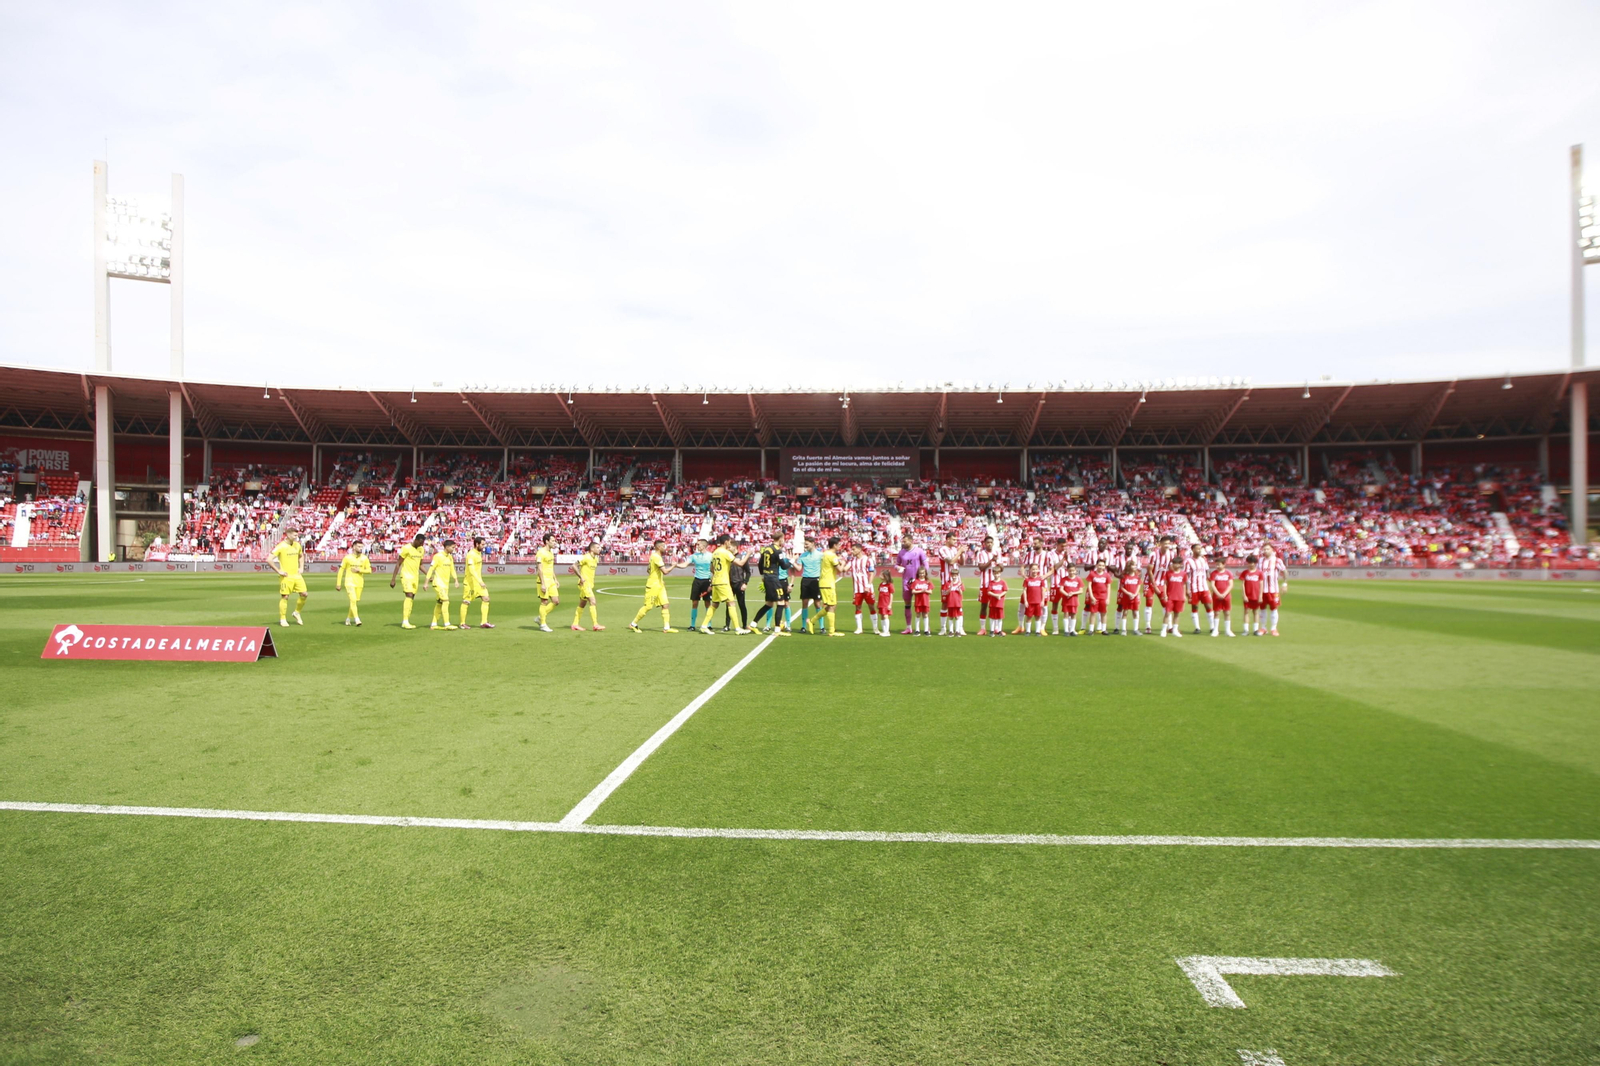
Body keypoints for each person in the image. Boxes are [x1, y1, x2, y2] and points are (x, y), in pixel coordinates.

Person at [629, 538, 680, 633]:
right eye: (664, 546)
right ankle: (633, 624)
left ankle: (666, 627)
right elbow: (665, 571)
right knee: (648, 606)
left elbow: (649, 569)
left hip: (659, 585)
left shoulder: (654, 556)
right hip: (653, 586)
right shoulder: (656, 557)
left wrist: (660, 580)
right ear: (659, 547)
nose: (665, 548)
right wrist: (674, 565)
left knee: (665, 605)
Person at [706, 534, 750, 634]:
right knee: (731, 603)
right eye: (729, 542)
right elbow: (741, 563)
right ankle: (737, 628)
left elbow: (711, 569)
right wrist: (748, 554)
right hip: (724, 582)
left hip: (718, 581)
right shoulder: (725, 553)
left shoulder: (715, 552)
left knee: (715, 604)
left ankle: (704, 626)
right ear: (726, 542)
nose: (729, 544)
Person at [751, 533, 791, 635]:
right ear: (780, 539)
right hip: (774, 579)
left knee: (769, 604)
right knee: (781, 602)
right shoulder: (778, 551)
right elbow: (784, 566)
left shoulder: (766, 549)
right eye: (783, 539)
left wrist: (763, 575)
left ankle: (753, 624)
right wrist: (792, 561)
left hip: (767, 578)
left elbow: (760, 563)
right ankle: (777, 629)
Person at [269, 529, 308, 627]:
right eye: (294, 535)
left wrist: (301, 567)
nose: (296, 537)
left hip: (297, 575)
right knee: (285, 596)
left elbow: (301, 556)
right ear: (288, 535)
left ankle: (296, 612)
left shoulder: (297, 545)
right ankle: (282, 619)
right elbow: (269, 559)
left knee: (304, 594)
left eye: (297, 535)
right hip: (286, 576)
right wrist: (279, 571)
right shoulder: (281, 546)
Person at [895, 534, 930, 636]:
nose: (903, 543)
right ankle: (908, 627)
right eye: (903, 541)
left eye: (905, 541)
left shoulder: (919, 551)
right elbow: (896, 564)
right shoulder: (901, 552)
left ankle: (926, 627)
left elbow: (926, 564)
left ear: (911, 541)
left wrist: (924, 578)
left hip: (918, 582)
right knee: (907, 605)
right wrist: (898, 568)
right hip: (906, 582)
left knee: (922, 605)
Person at [390, 532, 426, 630]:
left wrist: (428, 575)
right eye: (420, 543)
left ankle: (406, 620)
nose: (421, 545)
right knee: (409, 595)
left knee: (412, 597)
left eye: (422, 544)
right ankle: (405, 621)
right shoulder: (406, 548)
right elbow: (398, 563)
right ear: (416, 540)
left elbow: (420, 564)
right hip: (406, 576)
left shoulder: (421, 550)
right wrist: (393, 579)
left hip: (415, 577)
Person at [1145, 534, 1177, 634]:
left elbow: (1171, 569)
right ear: (1160, 544)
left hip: (1162, 582)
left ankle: (1170, 626)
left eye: (1169, 543)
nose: (1167, 545)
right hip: (1150, 581)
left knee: (1166, 604)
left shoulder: (1171, 554)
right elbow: (1149, 571)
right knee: (1149, 603)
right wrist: (1154, 585)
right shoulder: (1153, 554)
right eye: (1165, 543)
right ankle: (1148, 626)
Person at [334, 539, 371, 626]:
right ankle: (357, 619)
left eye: (361, 547)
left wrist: (360, 570)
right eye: (358, 546)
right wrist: (338, 583)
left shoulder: (364, 558)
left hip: (359, 582)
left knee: (354, 601)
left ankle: (348, 618)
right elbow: (341, 570)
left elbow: (369, 570)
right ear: (353, 547)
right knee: (353, 600)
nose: (360, 548)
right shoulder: (347, 558)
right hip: (349, 582)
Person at [461, 535, 493, 629]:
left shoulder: (479, 553)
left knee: (486, 598)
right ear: (477, 544)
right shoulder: (471, 554)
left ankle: (484, 622)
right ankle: (462, 623)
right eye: (482, 544)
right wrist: (480, 581)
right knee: (466, 602)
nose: (484, 546)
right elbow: (471, 570)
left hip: (479, 582)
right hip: (470, 582)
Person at [570, 540, 603, 631]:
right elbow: (574, 566)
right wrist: (581, 577)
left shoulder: (595, 559)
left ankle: (575, 624)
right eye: (597, 547)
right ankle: (595, 624)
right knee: (593, 601)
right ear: (592, 549)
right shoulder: (586, 557)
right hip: (585, 584)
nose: (599, 549)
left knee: (582, 603)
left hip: (590, 584)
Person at [426, 538, 458, 630]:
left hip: (445, 584)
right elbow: (431, 569)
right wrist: (426, 582)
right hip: (438, 583)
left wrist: (455, 580)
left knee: (439, 603)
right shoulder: (438, 556)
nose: (453, 549)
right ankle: (447, 623)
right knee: (446, 601)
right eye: (452, 547)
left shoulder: (450, 557)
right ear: (447, 547)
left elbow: (452, 569)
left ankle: (433, 624)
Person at [816, 536, 844, 636]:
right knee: (832, 606)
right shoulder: (831, 555)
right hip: (828, 583)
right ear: (834, 545)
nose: (840, 546)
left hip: (825, 582)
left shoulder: (826, 554)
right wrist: (843, 563)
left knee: (831, 606)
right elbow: (840, 570)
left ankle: (812, 620)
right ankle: (831, 631)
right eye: (839, 544)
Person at [796, 536, 824, 634]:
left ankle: (822, 627)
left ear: (813, 543)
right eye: (805, 544)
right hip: (805, 581)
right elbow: (799, 569)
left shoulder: (820, 555)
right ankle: (803, 626)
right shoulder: (803, 555)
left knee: (817, 604)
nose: (805, 546)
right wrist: (792, 561)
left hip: (816, 580)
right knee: (804, 603)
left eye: (807, 544)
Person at [935, 532, 961, 635]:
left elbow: (961, 562)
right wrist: (960, 551)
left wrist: (962, 553)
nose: (955, 541)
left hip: (956, 580)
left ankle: (959, 628)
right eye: (954, 540)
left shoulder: (955, 550)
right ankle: (943, 628)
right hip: (946, 581)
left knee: (958, 603)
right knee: (945, 603)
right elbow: (950, 562)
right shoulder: (942, 550)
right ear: (948, 539)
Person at [847, 544, 877, 634]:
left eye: (854, 549)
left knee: (871, 606)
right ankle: (859, 628)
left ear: (860, 549)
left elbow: (871, 574)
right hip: (857, 589)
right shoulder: (852, 561)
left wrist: (868, 585)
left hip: (867, 588)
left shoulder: (868, 560)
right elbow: (844, 569)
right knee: (857, 607)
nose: (852, 551)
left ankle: (875, 628)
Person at [1183, 544, 1212, 635]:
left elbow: (1207, 571)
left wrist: (1208, 579)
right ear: (1193, 550)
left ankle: (1212, 627)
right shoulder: (1188, 561)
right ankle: (1197, 628)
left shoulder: (1203, 560)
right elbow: (1185, 575)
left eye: (1200, 548)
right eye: (1197, 548)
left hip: (1204, 587)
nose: (1199, 550)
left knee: (1208, 605)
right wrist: (1187, 589)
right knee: (1195, 606)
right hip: (1193, 588)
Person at [687, 539, 714, 633]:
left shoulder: (711, 556)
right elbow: (685, 564)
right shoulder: (694, 556)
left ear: (703, 545)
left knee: (707, 603)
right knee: (694, 603)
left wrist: (712, 584)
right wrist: (676, 565)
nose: (696, 546)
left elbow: (714, 571)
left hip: (707, 581)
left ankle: (708, 624)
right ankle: (692, 625)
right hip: (697, 581)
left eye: (698, 544)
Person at [1260, 544, 1287, 636]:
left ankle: (1273, 628)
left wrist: (1284, 583)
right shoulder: (1260, 561)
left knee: (1274, 608)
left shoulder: (1277, 560)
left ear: (1272, 550)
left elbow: (1284, 571)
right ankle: (1263, 628)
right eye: (1264, 549)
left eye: (1267, 549)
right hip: (1262, 590)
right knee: (1262, 608)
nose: (1265, 551)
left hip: (1273, 590)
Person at [536, 532, 560, 632]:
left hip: (551, 580)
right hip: (543, 580)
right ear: (547, 541)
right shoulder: (541, 552)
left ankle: (541, 617)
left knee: (556, 601)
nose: (554, 543)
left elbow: (551, 567)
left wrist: (555, 579)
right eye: (553, 541)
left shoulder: (550, 552)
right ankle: (543, 624)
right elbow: (540, 569)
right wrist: (543, 583)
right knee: (544, 602)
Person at [728, 542, 752, 634]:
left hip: (739, 584)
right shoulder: (728, 557)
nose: (728, 548)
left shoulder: (741, 557)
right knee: (729, 604)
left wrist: (745, 583)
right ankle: (727, 625)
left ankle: (744, 624)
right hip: (730, 584)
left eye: (730, 546)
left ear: (734, 547)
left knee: (742, 605)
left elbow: (748, 572)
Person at [1053, 563, 1082, 636]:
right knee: (1066, 614)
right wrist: (1066, 594)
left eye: (1073, 571)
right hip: (1066, 600)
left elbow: (1081, 590)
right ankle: (1066, 630)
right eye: (1070, 571)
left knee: (1073, 614)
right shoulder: (1064, 579)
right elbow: (1061, 589)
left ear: (1075, 570)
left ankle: (1072, 630)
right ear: (1067, 570)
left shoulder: (1078, 579)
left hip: (1074, 600)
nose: (1071, 572)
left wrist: (1073, 593)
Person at [1161, 558, 1187, 637]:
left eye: (1177, 563)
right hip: (1170, 596)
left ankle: (1175, 630)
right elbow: (1165, 584)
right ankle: (1164, 630)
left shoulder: (1183, 574)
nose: (1175, 565)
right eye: (1174, 563)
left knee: (1177, 614)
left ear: (1180, 564)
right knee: (1167, 613)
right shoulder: (1168, 573)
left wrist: (1184, 595)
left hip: (1179, 596)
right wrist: (1165, 595)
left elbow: (1184, 584)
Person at [1115, 563, 1142, 635]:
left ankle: (1135, 629)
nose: (1135, 567)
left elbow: (1138, 587)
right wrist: (1129, 593)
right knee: (1125, 612)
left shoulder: (1137, 577)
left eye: (1135, 566)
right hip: (1126, 597)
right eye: (1133, 565)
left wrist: (1135, 594)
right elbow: (1122, 587)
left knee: (1135, 612)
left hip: (1135, 597)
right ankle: (1124, 629)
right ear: (1129, 567)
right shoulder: (1125, 577)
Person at [1240, 554, 1264, 636]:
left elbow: (1261, 584)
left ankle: (1256, 629)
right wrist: (1244, 595)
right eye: (1249, 562)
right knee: (1246, 611)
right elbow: (1242, 584)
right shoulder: (1245, 573)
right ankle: (1246, 630)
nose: (1251, 564)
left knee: (1256, 612)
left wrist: (1260, 595)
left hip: (1256, 595)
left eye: (1253, 562)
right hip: (1248, 595)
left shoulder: (1259, 573)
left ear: (1255, 563)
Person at [1021, 564, 1048, 635]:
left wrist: (1042, 601)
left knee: (1038, 616)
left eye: (1036, 569)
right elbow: (1024, 590)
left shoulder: (1040, 580)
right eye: (1033, 569)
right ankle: (1028, 631)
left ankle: (1037, 631)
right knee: (1029, 616)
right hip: (1030, 602)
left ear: (1038, 570)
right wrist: (1026, 601)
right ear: (1030, 570)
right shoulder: (1027, 580)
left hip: (1038, 602)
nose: (1034, 571)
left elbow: (1043, 590)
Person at [1210, 563, 1235, 637]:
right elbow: (1212, 585)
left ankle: (1228, 630)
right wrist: (1218, 594)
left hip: (1226, 596)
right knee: (1216, 612)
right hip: (1216, 596)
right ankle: (1215, 630)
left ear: (1224, 565)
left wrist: (1224, 594)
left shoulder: (1228, 573)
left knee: (1227, 613)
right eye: (1216, 564)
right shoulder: (1214, 573)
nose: (1217, 566)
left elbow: (1231, 584)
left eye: (1219, 564)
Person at [1086, 560, 1111, 635]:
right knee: (1093, 612)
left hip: (1103, 596)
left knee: (1103, 612)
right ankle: (1091, 629)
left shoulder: (1106, 575)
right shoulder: (1092, 574)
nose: (1101, 567)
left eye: (1102, 565)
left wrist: (1108, 598)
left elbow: (1108, 586)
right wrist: (1092, 596)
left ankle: (1104, 629)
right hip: (1095, 596)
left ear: (1104, 566)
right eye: (1099, 565)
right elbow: (1089, 585)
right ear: (1096, 565)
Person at [942, 567, 966, 636]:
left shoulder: (960, 584)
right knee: (950, 617)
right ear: (951, 575)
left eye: (955, 575)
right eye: (953, 575)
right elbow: (946, 593)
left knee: (957, 616)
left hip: (957, 603)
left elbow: (961, 593)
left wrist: (959, 590)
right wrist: (951, 586)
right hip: (950, 603)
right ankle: (951, 631)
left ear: (958, 575)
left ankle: (957, 631)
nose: (954, 577)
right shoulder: (948, 584)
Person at [874, 568, 896, 637]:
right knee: (882, 616)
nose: (879, 576)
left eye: (881, 575)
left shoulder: (889, 585)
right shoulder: (881, 584)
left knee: (885, 615)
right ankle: (884, 630)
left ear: (885, 576)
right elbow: (880, 593)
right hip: (881, 602)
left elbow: (891, 594)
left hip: (886, 603)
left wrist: (890, 604)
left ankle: (887, 631)